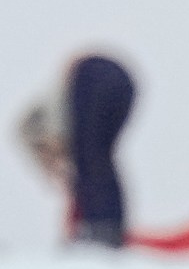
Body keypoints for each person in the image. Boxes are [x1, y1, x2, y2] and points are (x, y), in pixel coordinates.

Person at [16, 53, 136, 246]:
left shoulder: (42, 121)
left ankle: (102, 229)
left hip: (93, 76)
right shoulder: (62, 123)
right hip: (123, 83)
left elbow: (41, 133)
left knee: (91, 159)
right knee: (97, 159)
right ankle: (107, 227)